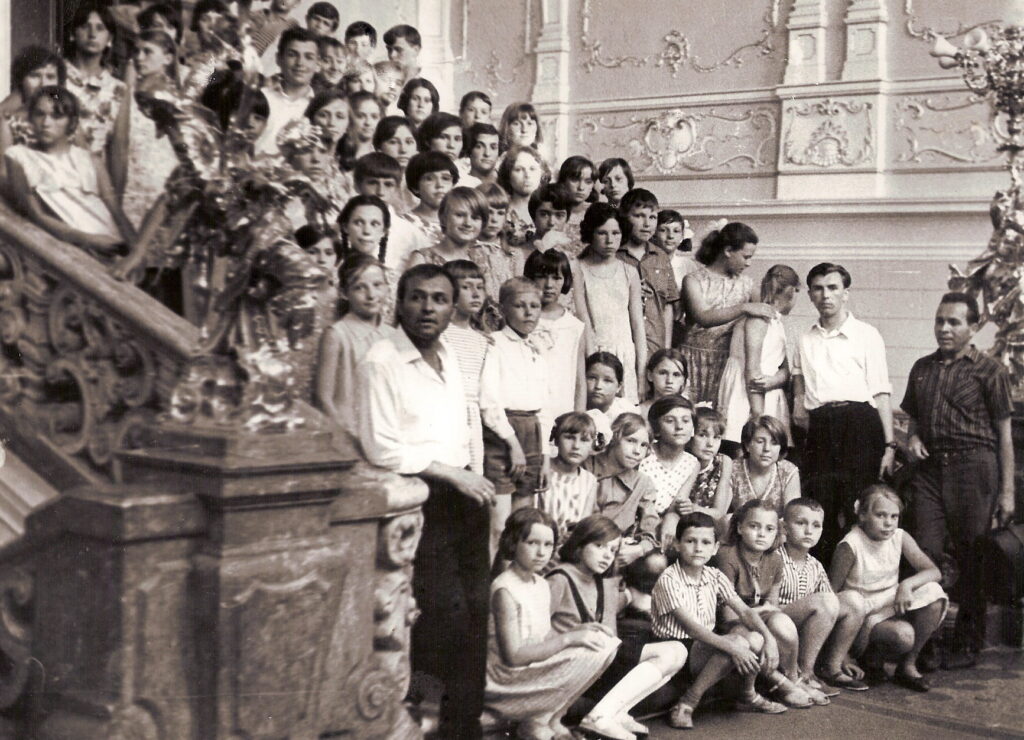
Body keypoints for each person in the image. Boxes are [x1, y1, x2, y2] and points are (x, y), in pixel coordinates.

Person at [357, 263, 496, 739]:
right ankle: (419, 717)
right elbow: (380, 447)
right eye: (417, 297)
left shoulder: (450, 354)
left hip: (466, 496)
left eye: (439, 299)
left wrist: (471, 474)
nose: (427, 308)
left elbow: (463, 422)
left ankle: (463, 728)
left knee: (475, 615)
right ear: (399, 303)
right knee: (443, 616)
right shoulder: (381, 360)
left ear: (453, 307)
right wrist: (452, 474)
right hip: (420, 500)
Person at [901, 292, 1015, 668]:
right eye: (940, 321)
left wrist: (1007, 493)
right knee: (925, 552)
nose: (944, 329)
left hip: (974, 469)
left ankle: (968, 643)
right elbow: (914, 421)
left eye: (954, 322)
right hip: (930, 472)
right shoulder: (922, 368)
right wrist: (913, 439)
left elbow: (1005, 436)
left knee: (972, 556)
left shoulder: (990, 371)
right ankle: (925, 643)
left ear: (974, 326)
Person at [547, 515, 688, 740]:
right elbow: (539, 633)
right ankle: (600, 717)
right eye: (599, 546)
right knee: (665, 653)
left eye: (613, 550)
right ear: (579, 544)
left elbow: (610, 632)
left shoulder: (603, 580)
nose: (607, 555)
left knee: (677, 650)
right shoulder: (560, 578)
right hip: (569, 661)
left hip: (596, 658)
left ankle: (614, 713)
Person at [792, 262, 897, 565]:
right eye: (818, 289)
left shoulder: (867, 335)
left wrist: (889, 446)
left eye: (833, 287)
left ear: (845, 293)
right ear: (810, 295)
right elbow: (799, 380)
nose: (826, 295)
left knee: (858, 507)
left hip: (860, 425)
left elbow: (881, 392)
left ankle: (860, 580)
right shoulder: (804, 338)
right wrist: (799, 406)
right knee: (819, 508)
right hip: (821, 426)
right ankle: (820, 580)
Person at [486, 508, 618, 740]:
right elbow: (512, 657)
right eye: (532, 543)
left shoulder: (539, 584)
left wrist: (579, 630)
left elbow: (542, 637)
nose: (541, 552)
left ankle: (549, 718)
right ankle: (536, 721)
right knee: (595, 647)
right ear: (513, 543)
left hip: (529, 666)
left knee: (604, 642)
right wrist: (568, 638)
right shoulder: (505, 590)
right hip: (503, 678)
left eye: (548, 545)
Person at [652, 512, 788, 730]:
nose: (698, 548)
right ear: (677, 544)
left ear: (715, 548)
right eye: (690, 541)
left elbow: (745, 612)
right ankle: (688, 701)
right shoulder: (669, 579)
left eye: (706, 543)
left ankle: (748, 695)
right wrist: (735, 648)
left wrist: (769, 638)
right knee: (738, 642)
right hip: (676, 649)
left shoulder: (714, 575)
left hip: (701, 646)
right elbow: (693, 630)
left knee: (755, 637)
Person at [831, 485, 948, 692]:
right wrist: (842, 654)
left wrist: (907, 585)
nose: (888, 523)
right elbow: (831, 597)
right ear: (862, 514)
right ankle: (866, 656)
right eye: (881, 515)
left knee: (934, 594)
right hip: (861, 617)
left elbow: (933, 571)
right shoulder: (851, 544)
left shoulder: (899, 536)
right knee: (904, 635)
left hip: (888, 605)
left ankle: (908, 665)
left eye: (894, 516)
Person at [5, 86, 135, 265]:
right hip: (71, 248)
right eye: (39, 114)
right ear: (30, 118)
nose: (46, 123)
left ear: (72, 123)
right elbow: (36, 215)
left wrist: (136, 252)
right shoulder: (19, 157)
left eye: (56, 116)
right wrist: (89, 240)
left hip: (112, 244)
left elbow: (116, 211)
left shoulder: (89, 160)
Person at [713, 500, 823, 707]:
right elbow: (729, 616)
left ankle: (793, 677)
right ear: (740, 527)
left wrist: (765, 614)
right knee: (755, 638)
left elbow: (773, 607)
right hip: (730, 626)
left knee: (782, 622)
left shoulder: (774, 559)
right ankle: (783, 686)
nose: (762, 534)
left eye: (769, 529)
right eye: (754, 526)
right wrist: (765, 623)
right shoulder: (727, 556)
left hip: (753, 618)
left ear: (777, 532)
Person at [481, 278, 551, 540]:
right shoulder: (494, 344)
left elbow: (544, 405)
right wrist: (513, 445)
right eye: (520, 305)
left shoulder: (537, 348)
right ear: (503, 309)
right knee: (499, 525)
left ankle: (514, 568)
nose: (529, 312)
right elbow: (489, 402)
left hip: (532, 431)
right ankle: (492, 568)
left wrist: (544, 457)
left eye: (535, 306)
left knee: (523, 524)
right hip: (502, 434)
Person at [779, 497, 869, 693]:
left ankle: (832, 666)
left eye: (816, 525)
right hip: (779, 625)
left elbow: (831, 606)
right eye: (801, 523)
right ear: (784, 528)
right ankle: (805, 674)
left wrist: (846, 657)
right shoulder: (774, 558)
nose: (809, 530)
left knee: (854, 600)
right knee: (826, 600)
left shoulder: (815, 565)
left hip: (807, 628)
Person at [678, 222, 770, 404]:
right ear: (728, 251)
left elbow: (766, 314)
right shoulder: (694, 280)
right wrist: (743, 307)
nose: (749, 263)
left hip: (728, 363)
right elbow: (703, 316)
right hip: (693, 361)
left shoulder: (747, 284)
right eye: (746, 257)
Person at [718, 264, 800, 456]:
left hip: (766, 393)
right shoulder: (758, 320)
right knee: (745, 449)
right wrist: (758, 415)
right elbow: (752, 369)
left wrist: (775, 379)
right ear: (792, 292)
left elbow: (784, 368)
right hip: (749, 398)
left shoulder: (775, 322)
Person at [316, 253, 394, 440]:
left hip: (386, 433)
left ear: (387, 287)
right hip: (351, 432)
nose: (371, 295)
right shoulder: (337, 335)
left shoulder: (393, 335)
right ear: (344, 293)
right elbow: (323, 397)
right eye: (360, 287)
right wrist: (344, 435)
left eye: (377, 285)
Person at [576, 203, 646, 403]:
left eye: (615, 233)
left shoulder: (629, 271)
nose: (609, 240)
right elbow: (583, 318)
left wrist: (641, 374)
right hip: (593, 352)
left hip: (624, 353)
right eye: (602, 233)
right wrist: (592, 362)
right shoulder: (579, 269)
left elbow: (637, 325)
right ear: (590, 233)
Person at [111, 29, 180, 230]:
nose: (139, 58)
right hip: (129, 177)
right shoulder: (126, 90)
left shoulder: (172, 97)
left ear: (167, 58)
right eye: (136, 51)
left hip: (159, 181)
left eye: (147, 52)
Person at [525, 249, 586, 433]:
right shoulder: (522, 321)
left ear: (565, 281)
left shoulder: (574, 326)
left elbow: (579, 380)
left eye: (556, 278)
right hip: (529, 411)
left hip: (562, 412)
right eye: (541, 277)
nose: (549, 285)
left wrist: (578, 419)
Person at [588, 412, 659, 565]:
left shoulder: (642, 483)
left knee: (655, 563)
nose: (637, 451)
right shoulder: (587, 467)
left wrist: (639, 549)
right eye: (631, 441)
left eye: (644, 445)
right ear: (614, 438)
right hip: (584, 544)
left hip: (618, 551)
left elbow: (650, 529)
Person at [441, 259, 491, 477]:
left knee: (474, 474)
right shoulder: (440, 334)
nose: (476, 294)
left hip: (473, 418)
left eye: (480, 287)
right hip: (447, 416)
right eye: (467, 287)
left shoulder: (482, 340)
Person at [617, 188, 679, 359]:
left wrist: (666, 349)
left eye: (652, 217)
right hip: (623, 343)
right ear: (624, 218)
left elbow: (667, 306)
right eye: (639, 216)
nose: (647, 224)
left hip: (654, 344)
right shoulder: (614, 255)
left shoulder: (661, 257)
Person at [63, 1, 126, 157]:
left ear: (109, 38)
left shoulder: (119, 89)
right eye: (85, 26)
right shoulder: (55, 76)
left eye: (100, 28)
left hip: (101, 168)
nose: (92, 34)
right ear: (72, 34)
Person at [638, 397, 700, 548]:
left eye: (686, 421)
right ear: (656, 428)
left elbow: (677, 503)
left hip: (668, 521)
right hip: (639, 520)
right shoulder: (644, 453)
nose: (679, 427)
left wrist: (671, 519)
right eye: (670, 421)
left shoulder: (692, 463)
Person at [0, 46, 65, 183]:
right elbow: (3, 173)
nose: (43, 84)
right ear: (21, 81)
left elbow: (87, 163)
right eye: (34, 76)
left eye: (50, 77)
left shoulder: (67, 119)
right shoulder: (10, 122)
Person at [352, 152, 421, 274]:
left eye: (388, 184)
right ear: (357, 185)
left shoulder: (411, 234)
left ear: (397, 188)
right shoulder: (340, 230)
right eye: (372, 183)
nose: (380, 192)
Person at [256, 26, 319, 155]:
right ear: (279, 59)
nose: (300, 63)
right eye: (292, 55)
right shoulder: (259, 96)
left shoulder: (318, 110)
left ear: (318, 64)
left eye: (308, 57)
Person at [336, 194, 397, 322]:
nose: (366, 231)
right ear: (345, 227)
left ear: (384, 231)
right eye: (358, 223)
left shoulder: (392, 280)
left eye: (374, 224)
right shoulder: (332, 276)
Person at [540, 413, 600, 542]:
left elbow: (583, 522)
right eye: (569, 438)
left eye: (584, 440)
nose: (576, 446)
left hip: (569, 545)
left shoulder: (589, 481)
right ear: (556, 439)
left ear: (592, 445)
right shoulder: (542, 470)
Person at [730, 415, 800, 517]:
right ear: (747, 445)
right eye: (760, 441)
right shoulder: (732, 468)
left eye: (774, 443)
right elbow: (721, 515)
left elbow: (792, 517)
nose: (767, 448)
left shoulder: (788, 471)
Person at [408, 186, 487, 267]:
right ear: (444, 218)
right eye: (460, 215)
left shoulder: (485, 258)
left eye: (475, 218)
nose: (468, 223)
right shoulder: (422, 260)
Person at [681, 406, 733, 524]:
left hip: (709, 525)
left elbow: (719, 513)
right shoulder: (681, 460)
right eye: (702, 435)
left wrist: (694, 509)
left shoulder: (724, 462)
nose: (710, 444)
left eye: (716, 437)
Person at [402, 150, 458, 254]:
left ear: (453, 185)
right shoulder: (403, 224)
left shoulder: (461, 221)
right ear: (415, 187)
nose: (440, 185)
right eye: (429, 179)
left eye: (445, 178)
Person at [497, 145, 549, 250]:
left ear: (542, 174)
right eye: (519, 169)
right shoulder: (499, 211)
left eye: (532, 169)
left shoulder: (550, 211)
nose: (527, 175)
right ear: (508, 175)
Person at [584, 351, 638, 443]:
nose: (598, 386)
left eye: (607, 381)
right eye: (592, 378)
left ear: (619, 387)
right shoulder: (573, 407)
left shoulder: (627, 413)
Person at [556, 155, 597, 254]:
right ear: (563, 181)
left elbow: (613, 206)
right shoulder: (551, 211)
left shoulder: (597, 211)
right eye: (575, 180)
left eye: (588, 182)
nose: (581, 187)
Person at [638, 348, 689, 420]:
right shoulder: (638, 412)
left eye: (676, 375)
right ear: (650, 375)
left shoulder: (688, 413)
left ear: (683, 380)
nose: (669, 381)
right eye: (663, 373)